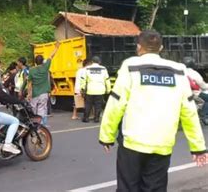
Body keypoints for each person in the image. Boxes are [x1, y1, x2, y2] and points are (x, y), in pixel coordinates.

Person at [99, 30, 207, 191]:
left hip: (132, 144)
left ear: (138, 47)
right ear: (161, 48)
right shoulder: (178, 70)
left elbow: (116, 104)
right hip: (162, 144)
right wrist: (198, 147)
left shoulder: (131, 66)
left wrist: (106, 136)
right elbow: (189, 112)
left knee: (128, 188)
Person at [27, 42, 60, 125]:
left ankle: (34, 124)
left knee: (33, 109)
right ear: (42, 61)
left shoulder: (31, 70)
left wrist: (29, 94)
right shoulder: (45, 67)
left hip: (35, 93)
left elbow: (29, 83)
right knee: (42, 109)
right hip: (44, 93)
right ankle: (41, 125)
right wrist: (56, 47)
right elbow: (51, 56)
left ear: (35, 62)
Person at [81, 56, 110, 123]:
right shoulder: (103, 69)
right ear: (99, 62)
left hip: (90, 90)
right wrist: (108, 89)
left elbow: (83, 79)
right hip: (100, 90)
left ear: (92, 62)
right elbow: (107, 80)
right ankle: (96, 118)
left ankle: (86, 118)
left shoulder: (87, 69)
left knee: (88, 104)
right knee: (98, 105)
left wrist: (82, 88)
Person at [183, 56, 208, 125]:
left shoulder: (179, 72)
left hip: (181, 94)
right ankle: (204, 116)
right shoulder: (194, 73)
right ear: (193, 64)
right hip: (194, 94)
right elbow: (204, 87)